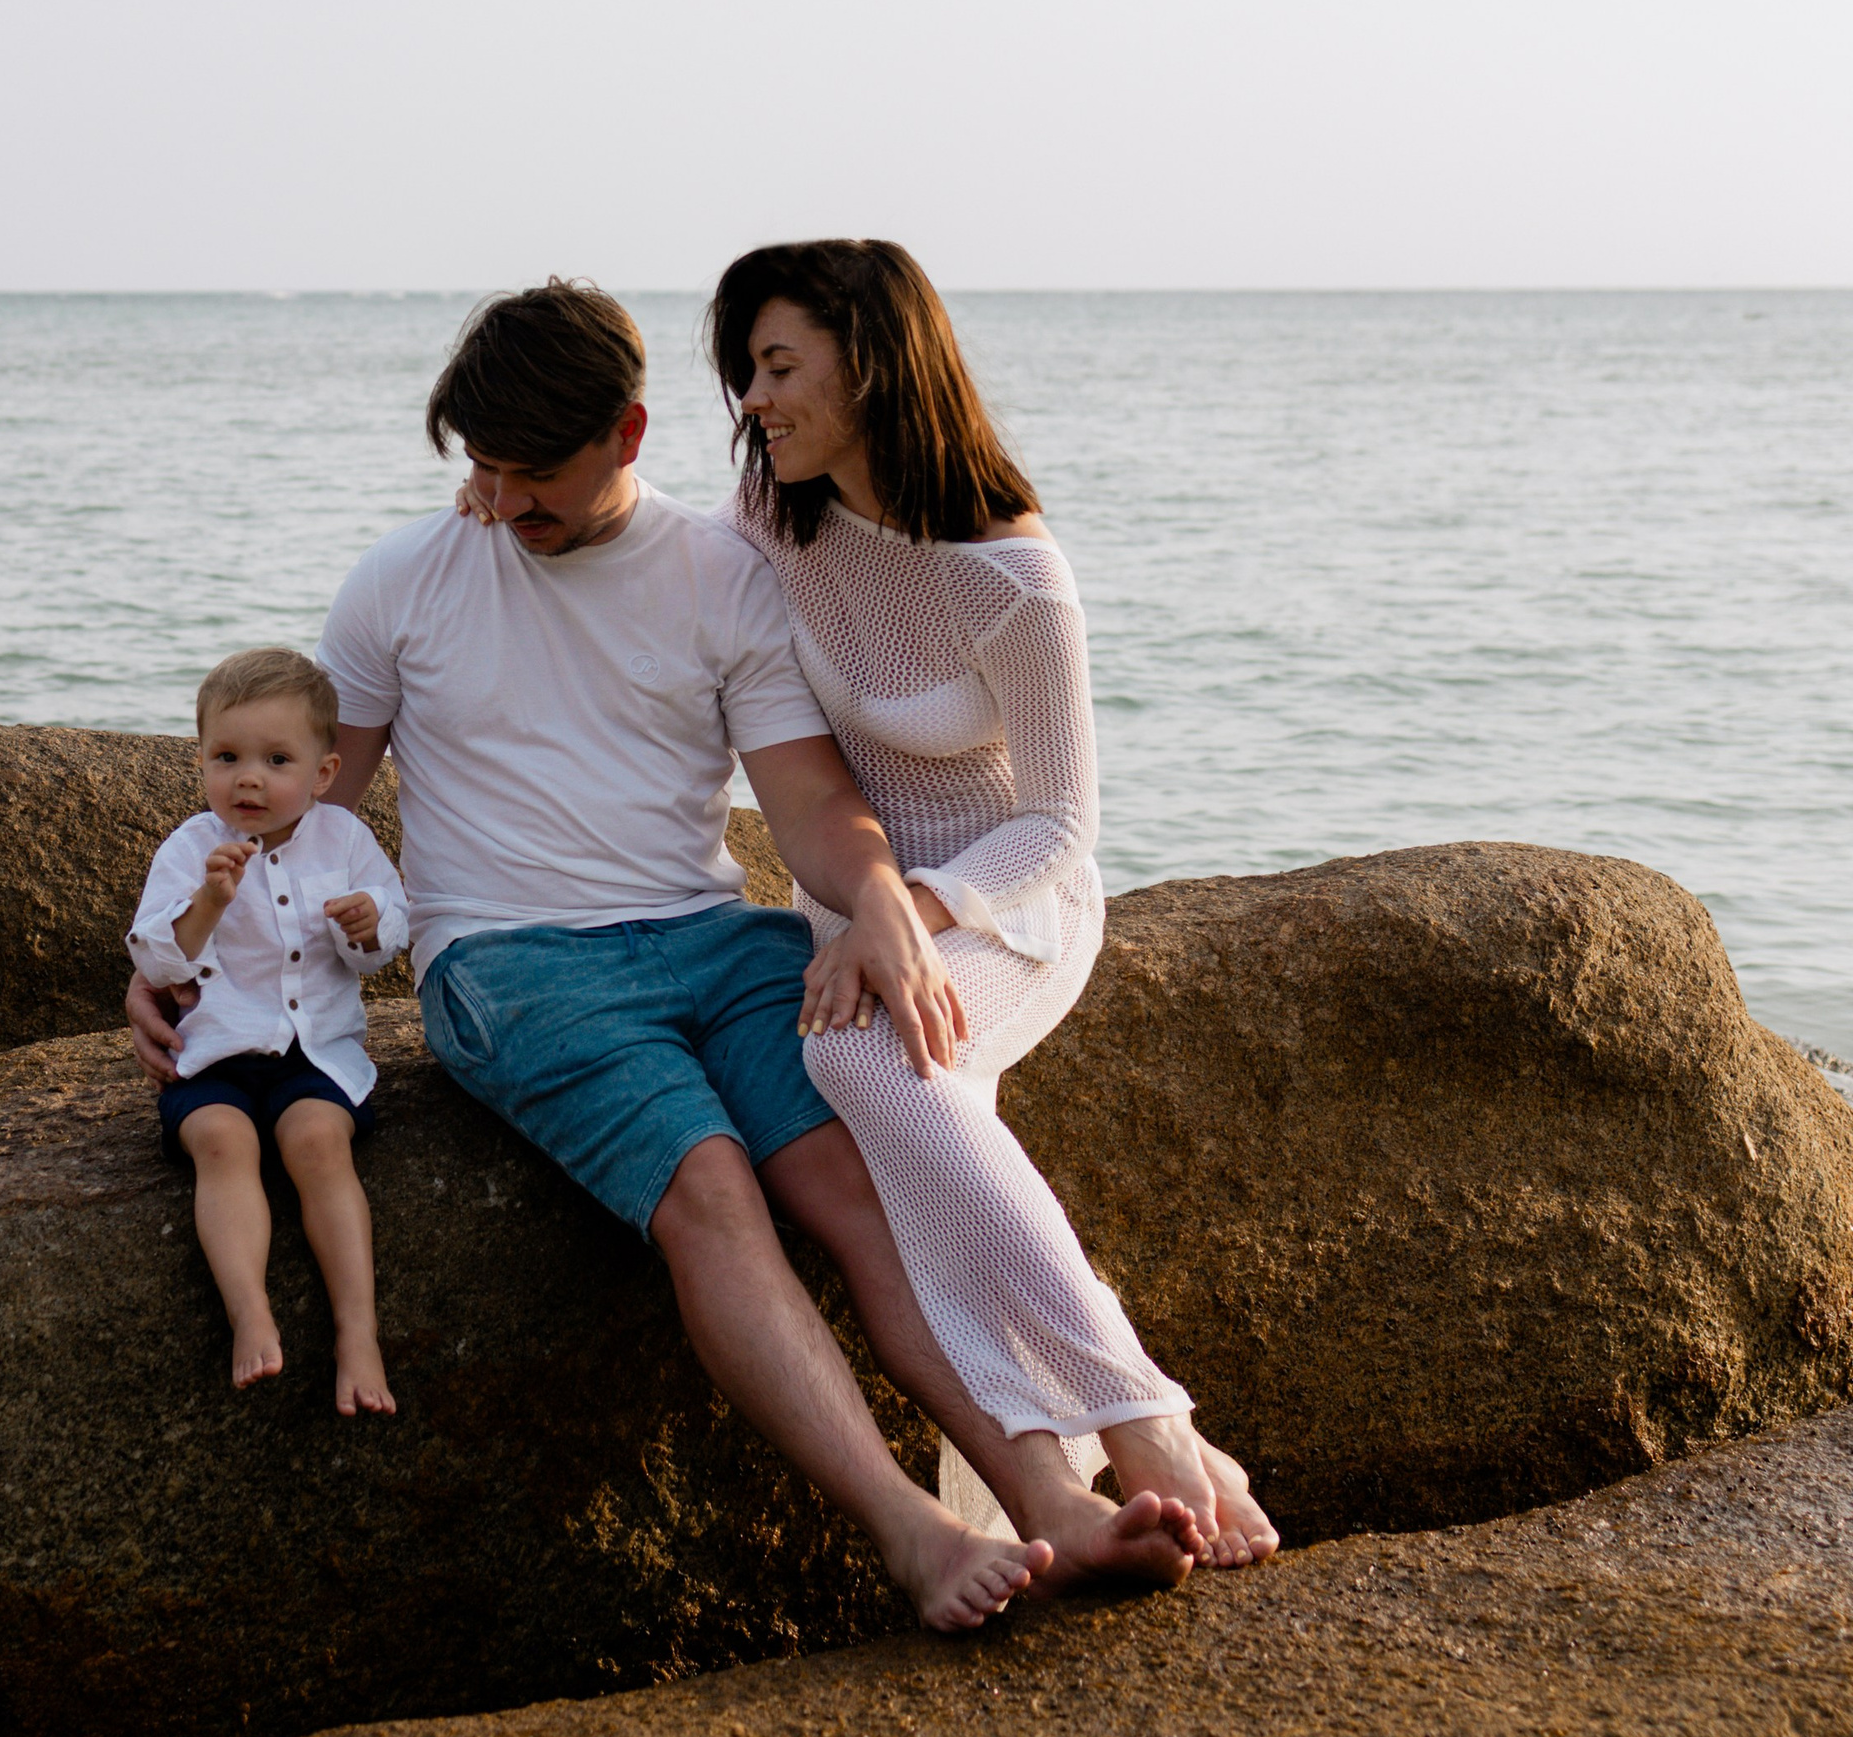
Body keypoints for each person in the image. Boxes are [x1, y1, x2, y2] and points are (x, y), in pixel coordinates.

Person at [129, 282, 1204, 1625]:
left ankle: (1054, 1502)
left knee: (865, 1178)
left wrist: (879, 898)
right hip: (512, 963)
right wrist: (175, 953)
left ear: (629, 434)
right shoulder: (404, 579)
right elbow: (297, 807)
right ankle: (911, 1531)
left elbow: (809, 801)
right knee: (711, 1189)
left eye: (538, 473)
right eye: (485, 466)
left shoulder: (719, 573)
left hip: (712, 937)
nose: (505, 500)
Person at [710, 237, 1278, 1573]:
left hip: (1007, 897)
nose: (754, 398)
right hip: (849, 897)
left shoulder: (1016, 574)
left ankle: (1138, 1425)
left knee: (863, 1049)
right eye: (745, 371)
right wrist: (503, 503)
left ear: (873, 362)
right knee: (902, 1112)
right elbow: (653, 562)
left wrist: (908, 906)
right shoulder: (768, 518)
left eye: (780, 365)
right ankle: (1146, 1433)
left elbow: (1061, 825)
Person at [128, 647, 408, 1419]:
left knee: (319, 1142)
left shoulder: (345, 837)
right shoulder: (191, 847)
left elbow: (391, 932)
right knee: (223, 1143)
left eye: (275, 759)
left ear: (322, 773)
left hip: (313, 1050)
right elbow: (154, 954)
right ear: (202, 760)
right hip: (215, 1054)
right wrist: (209, 901)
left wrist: (368, 920)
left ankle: (359, 1332)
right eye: (227, 756)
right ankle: (249, 1308)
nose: (247, 777)